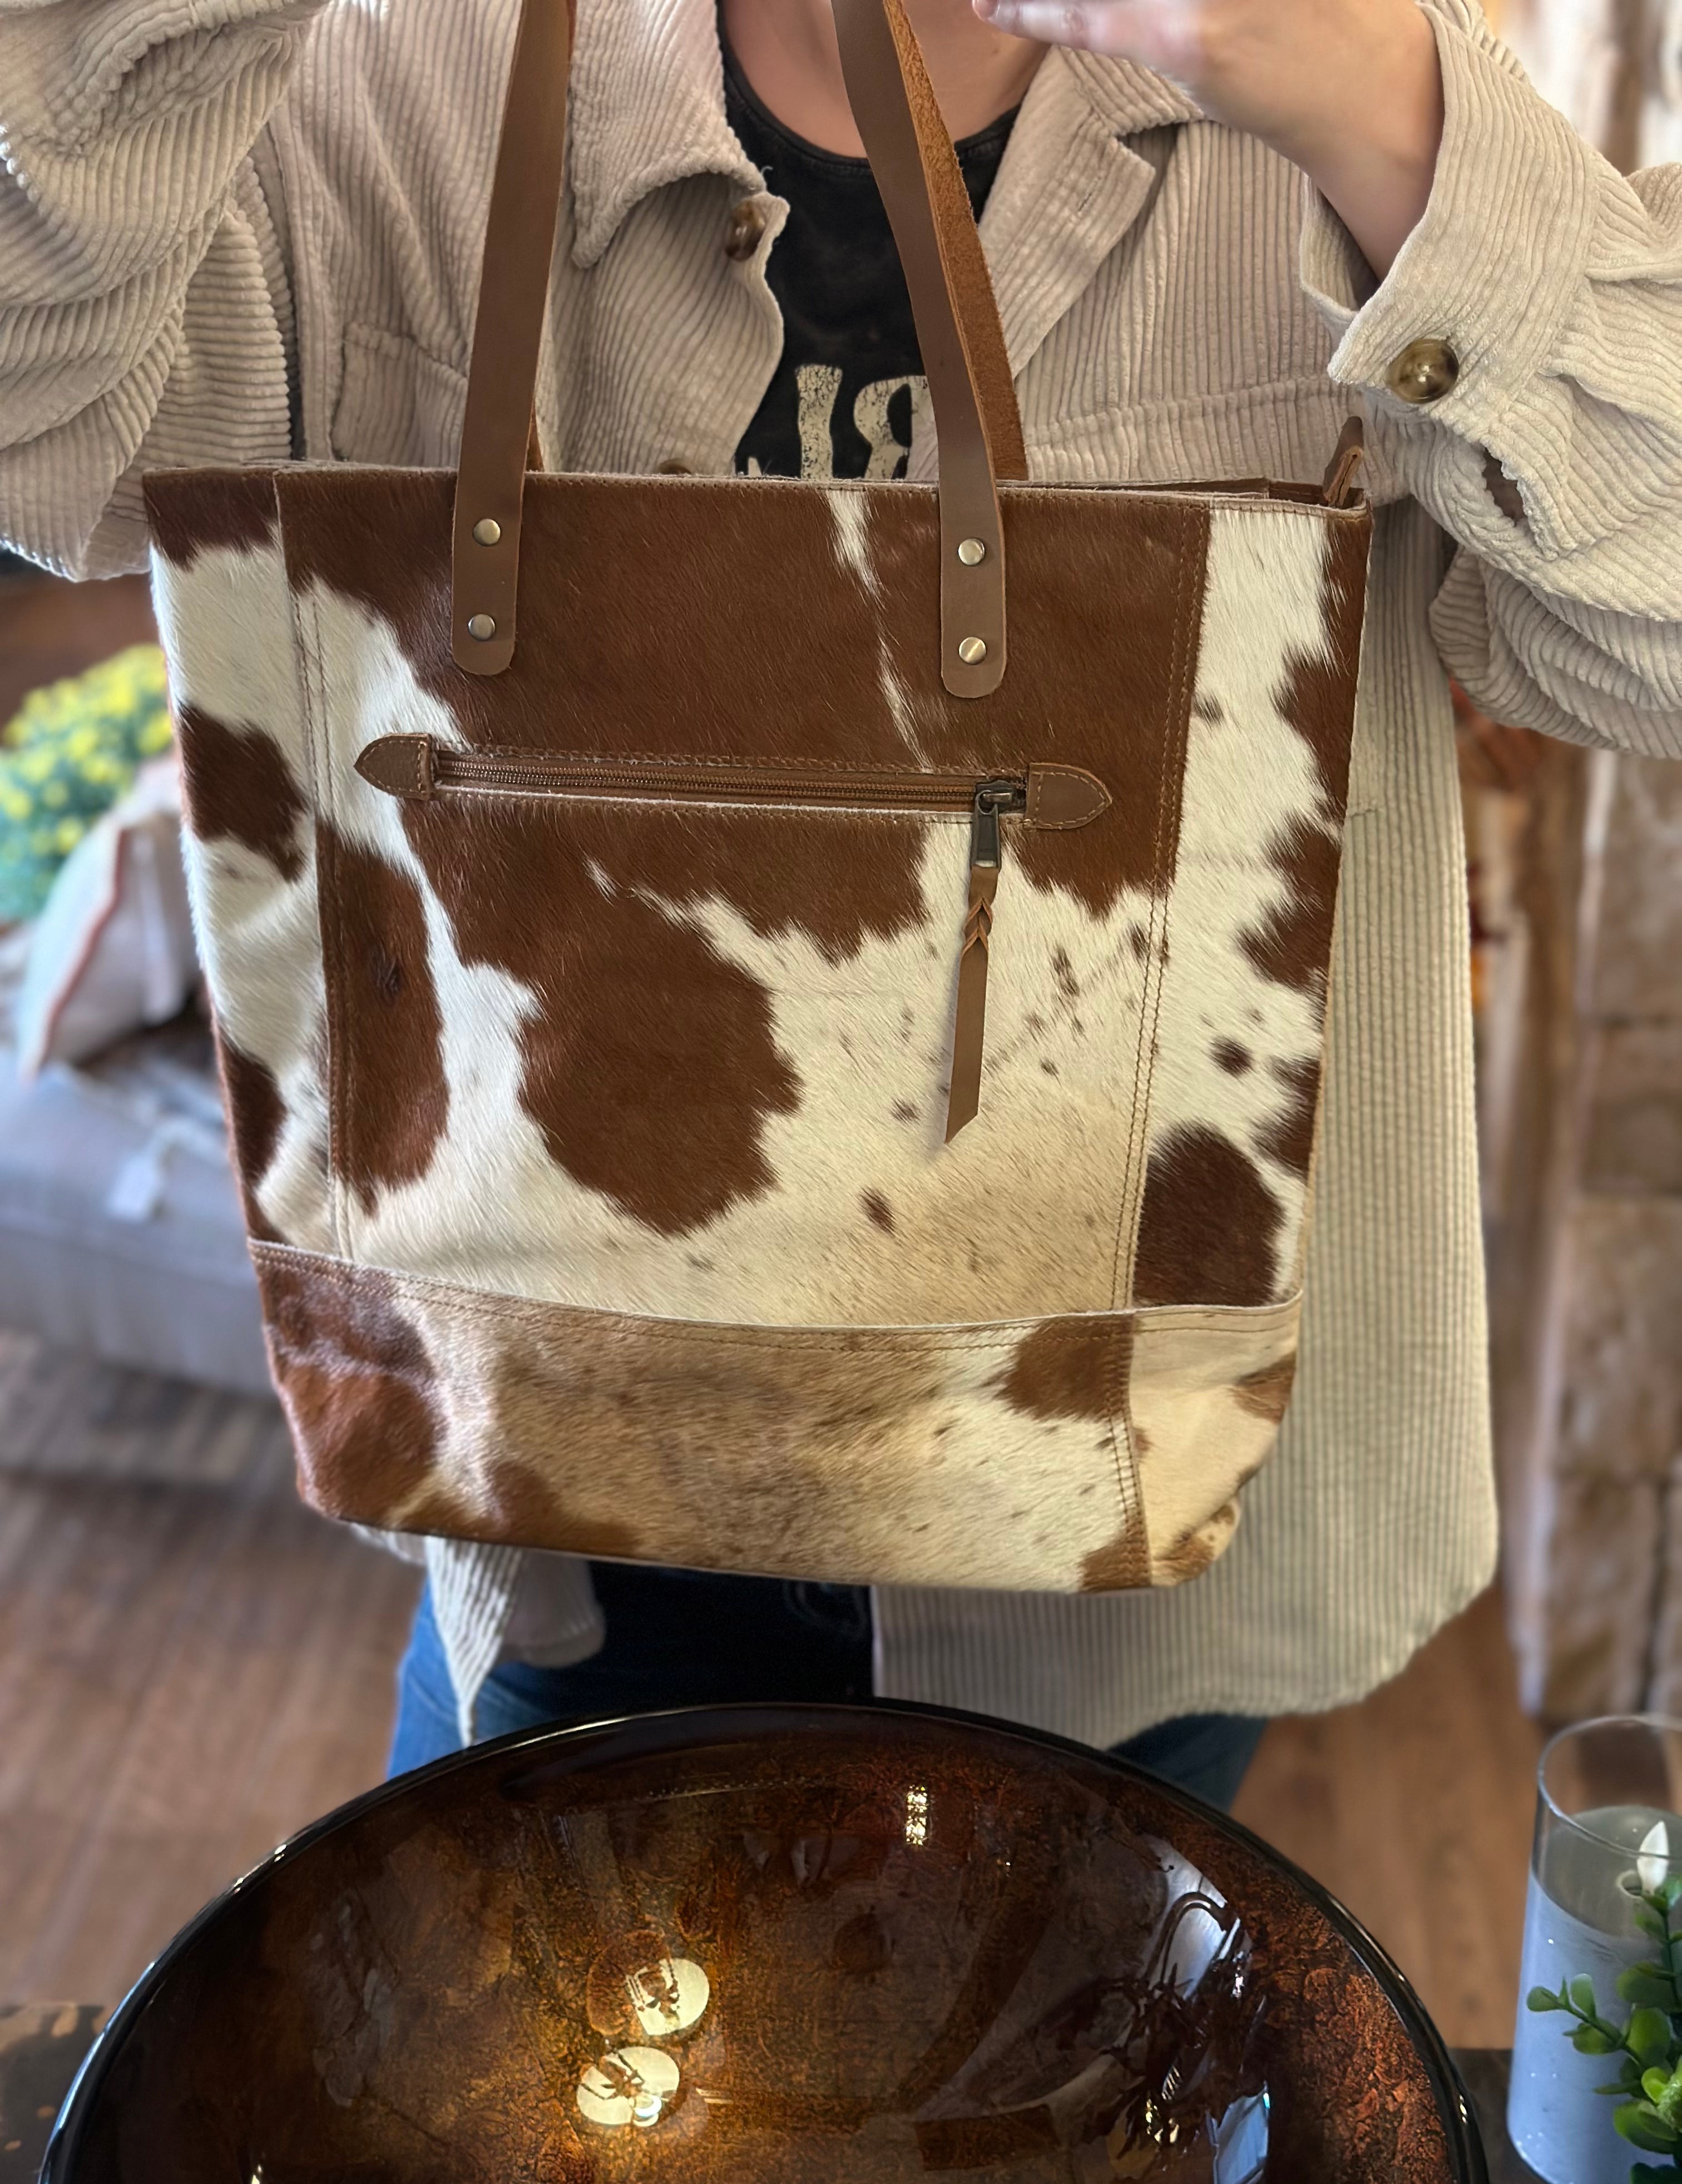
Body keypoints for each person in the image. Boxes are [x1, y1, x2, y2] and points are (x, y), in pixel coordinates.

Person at [2, 0, 1677, 1815]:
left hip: (1119, 1549)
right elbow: (47, 439)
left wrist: (1383, 112)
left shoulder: (1311, 91)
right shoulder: (413, 68)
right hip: (553, 1511)